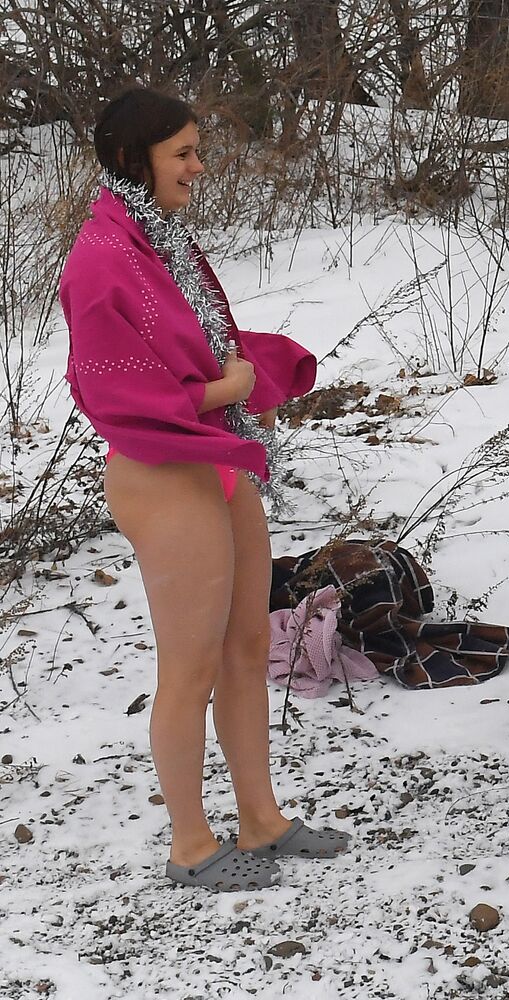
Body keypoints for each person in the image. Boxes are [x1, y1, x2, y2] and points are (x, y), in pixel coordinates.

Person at [61, 88, 343, 891]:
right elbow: (112, 393)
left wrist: (258, 369)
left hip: (216, 458)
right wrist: (228, 390)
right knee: (189, 667)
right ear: (132, 160)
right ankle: (190, 842)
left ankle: (262, 820)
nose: (198, 166)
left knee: (248, 647)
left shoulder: (158, 241)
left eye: (196, 149)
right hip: (160, 469)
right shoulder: (101, 258)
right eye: (182, 152)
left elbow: (194, 346)